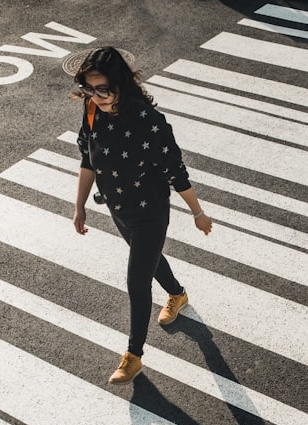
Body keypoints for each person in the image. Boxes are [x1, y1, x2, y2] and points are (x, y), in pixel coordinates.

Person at [63, 46, 212, 384]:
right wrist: (79, 206)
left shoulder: (149, 122)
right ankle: (178, 294)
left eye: (104, 88)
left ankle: (134, 355)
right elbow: (88, 160)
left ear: (122, 83)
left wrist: (198, 213)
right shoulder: (91, 111)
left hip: (150, 212)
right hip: (119, 209)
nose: (97, 96)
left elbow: (177, 172)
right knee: (150, 258)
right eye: (90, 88)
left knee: (137, 280)